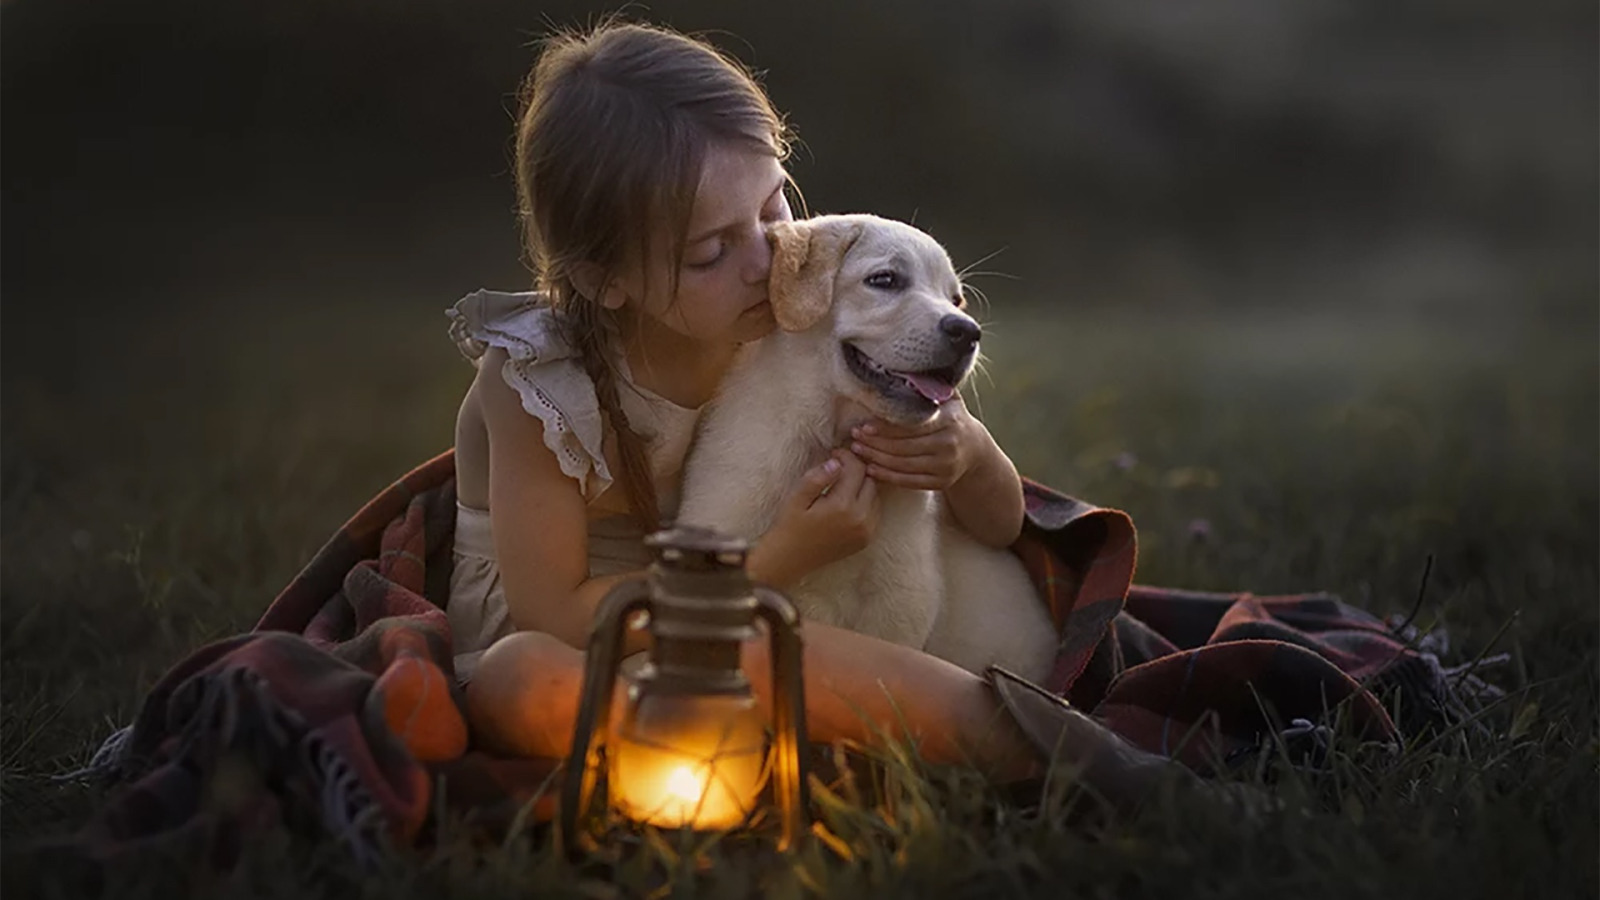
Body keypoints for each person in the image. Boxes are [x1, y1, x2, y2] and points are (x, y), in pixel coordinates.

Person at [446, 20, 1192, 806]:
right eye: (711, 253)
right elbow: (555, 616)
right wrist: (775, 560)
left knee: (776, 652)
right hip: (591, 645)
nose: (769, 258)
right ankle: (909, 753)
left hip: (741, 627)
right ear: (605, 282)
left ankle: (1089, 765)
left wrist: (965, 454)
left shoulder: (780, 321)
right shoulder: (536, 384)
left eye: (773, 210)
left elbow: (998, 521)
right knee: (520, 680)